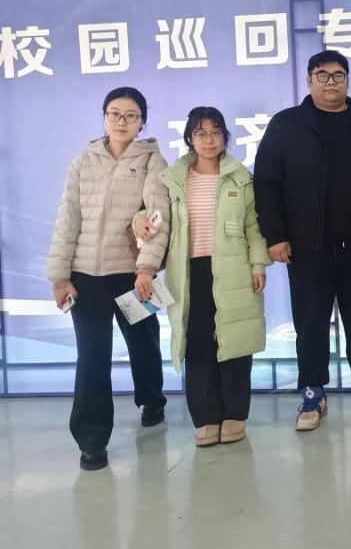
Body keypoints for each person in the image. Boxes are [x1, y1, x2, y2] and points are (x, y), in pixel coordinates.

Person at [254, 50, 351, 431]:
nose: (330, 82)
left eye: (338, 75)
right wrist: (276, 235)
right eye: (322, 75)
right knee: (311, 322)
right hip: (308, 247)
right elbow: (266, 183)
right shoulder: (286, 124)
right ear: (309, 80)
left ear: (347, 80)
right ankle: (313, 391)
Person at [46, 87, 170, 471]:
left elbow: (157, 218)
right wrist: (59, 277)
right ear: (104, 117)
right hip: (85, 277)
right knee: (92, 357)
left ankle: (152, 399)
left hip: (132, 275)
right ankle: (91, 440)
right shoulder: (83, 161)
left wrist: (146, 269)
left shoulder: (152, 160)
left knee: (144, 343)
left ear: (142, 122)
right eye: (114, 113)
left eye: (131, 115)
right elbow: (68, 219)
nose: (121, 121)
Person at [145, 107, 271, 447]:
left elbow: (254, 226)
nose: (209, 139)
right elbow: (155, 217)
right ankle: (205, 416)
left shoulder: (241, 177)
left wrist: (258, 266)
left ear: (225, 137)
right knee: (198, 344)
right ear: (190, 138)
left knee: (235, 340)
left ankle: (235, 414)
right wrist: (139, 221)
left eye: (216, 132)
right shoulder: (173, 179)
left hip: (233, 268)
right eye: (201, 133)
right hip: (189, 272)